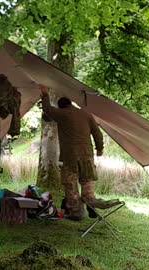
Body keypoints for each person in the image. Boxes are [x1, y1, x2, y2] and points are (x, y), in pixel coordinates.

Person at [39, 85, 121, 221]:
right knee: (87, 182)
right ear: (71, 104)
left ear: (61, 107)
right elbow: (97, 133)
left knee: (70, 184)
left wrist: (44, 94)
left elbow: (47, 110)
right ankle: (91, 203)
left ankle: (76, 213)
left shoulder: (62, 113)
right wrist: (99, 149)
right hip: (87, 154)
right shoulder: (86, 114)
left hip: (71, 155)